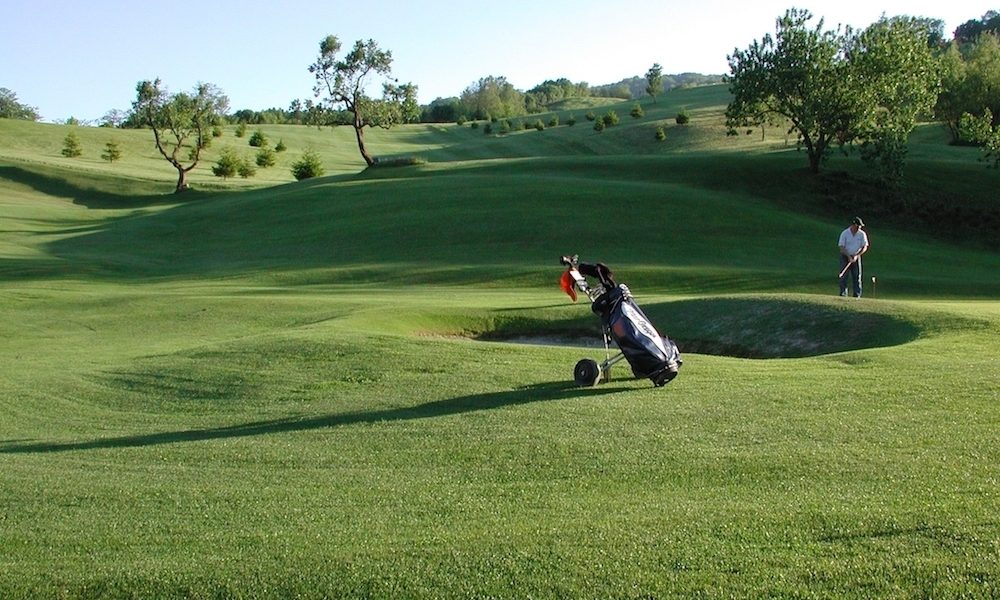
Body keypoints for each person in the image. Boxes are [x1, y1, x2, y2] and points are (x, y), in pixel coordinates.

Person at [838, 217, 869, 297]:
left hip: (856, 257)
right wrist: (848, 256)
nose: (859, 227)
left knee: (857, 276)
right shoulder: (845, 233)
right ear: (854, 225)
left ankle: (857, 295)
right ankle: (843, 294)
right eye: (858, 226)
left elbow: (864, 247)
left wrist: (857, 255)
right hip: (845, 256)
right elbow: (841, 247)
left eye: (860, 226)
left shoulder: (862, 234)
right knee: (844, 276)